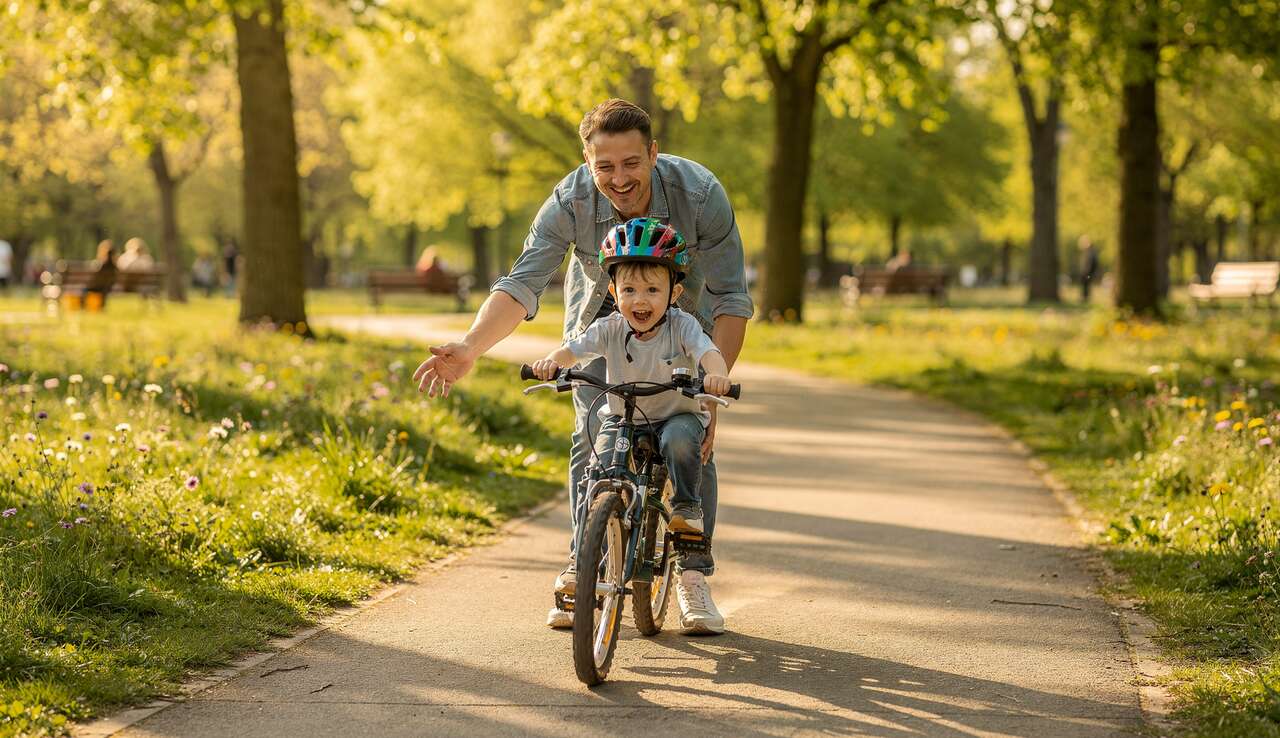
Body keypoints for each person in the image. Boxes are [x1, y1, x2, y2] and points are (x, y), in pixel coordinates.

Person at [412, 98, 752, 634]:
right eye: (604, 167)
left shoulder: (700, 194)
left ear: (653, 154)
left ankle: (693, 574)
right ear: (588, 163)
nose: (618, 178)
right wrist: (472, 347)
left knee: (692, 440)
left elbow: (731, 297)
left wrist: (711, 394)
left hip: (685, 323)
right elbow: (523, 282)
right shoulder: (570, 199)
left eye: (632, 163)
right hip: (600, 325)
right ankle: (584, 558)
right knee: (593, 432)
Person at [531, 220, 733, 629]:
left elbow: (708, 353)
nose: (640, 300)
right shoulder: (609, 327)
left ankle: (686, 513)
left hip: (676, 416)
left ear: (674, 293)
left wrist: (717, 374)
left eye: (653, 290)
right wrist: (552, 363)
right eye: (629, 290)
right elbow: (574, 350)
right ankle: (587, 566)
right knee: (598, 470)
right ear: (613, 293)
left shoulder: (683, 325)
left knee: (679, 441)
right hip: (623, 417)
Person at [85, 239, 118, 310]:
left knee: (84, 289)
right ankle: (101, 307)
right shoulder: (115, 267)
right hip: (107, 288)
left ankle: (84, 307)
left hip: (95, 287)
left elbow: (92, 278)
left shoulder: (100, 265)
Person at [1078, 236, 1100, 302]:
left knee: (1086, 284)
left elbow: (1091, 264)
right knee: (1085, 285)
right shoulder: (1089, 252)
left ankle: (1085, 298)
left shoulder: (1090, 252)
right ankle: (1084, 297)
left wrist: (1087, 271)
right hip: (1087, 272)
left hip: (1088, 272)